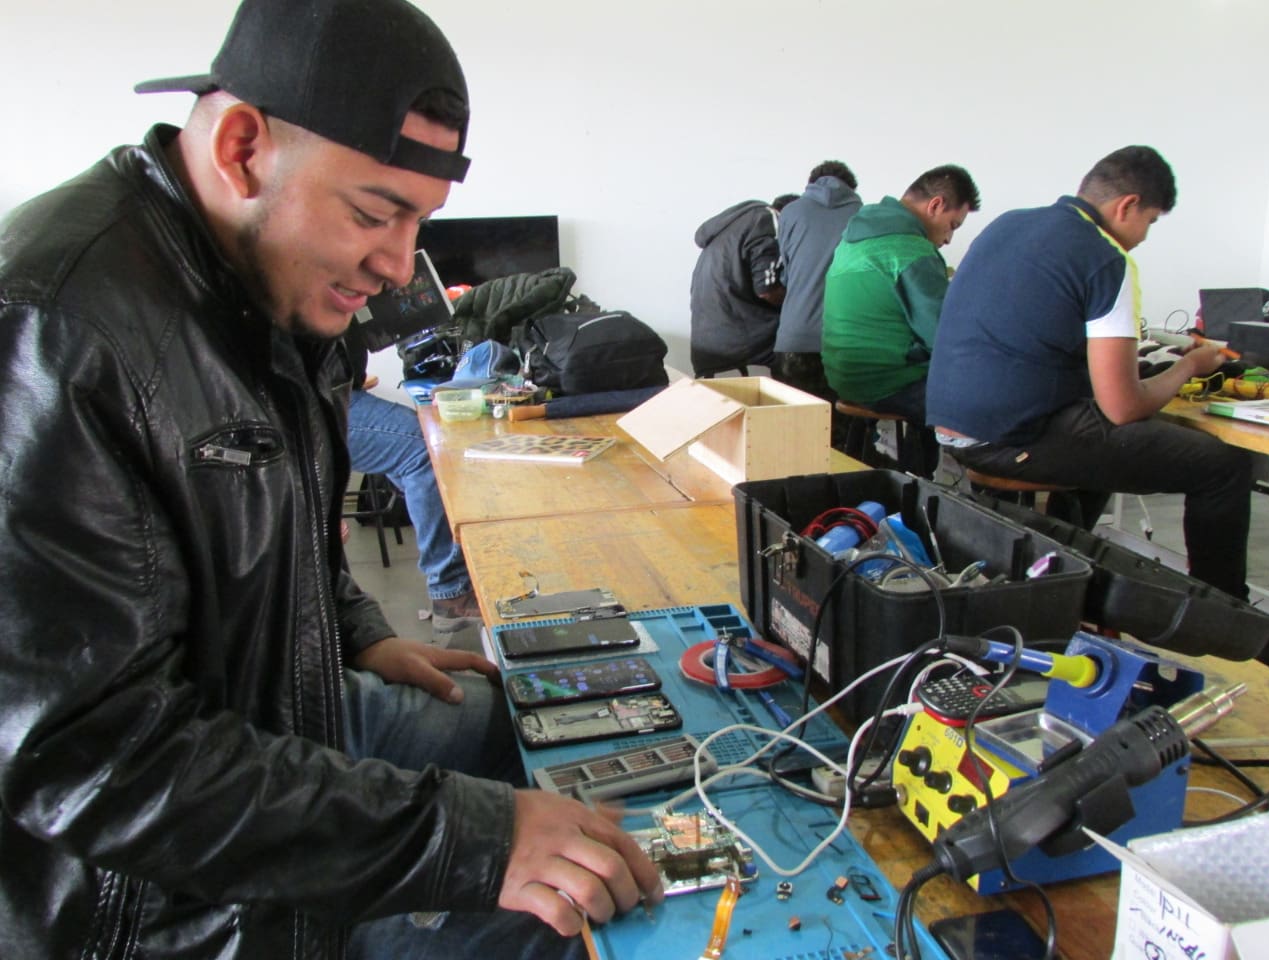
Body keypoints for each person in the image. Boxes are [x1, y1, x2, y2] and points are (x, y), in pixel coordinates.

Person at [0, 3, 661, 960]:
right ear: (241, 147)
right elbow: (90, 761)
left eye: (418, 219)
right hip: (149, 902)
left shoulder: (259, 278)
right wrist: (476, 843)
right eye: (374, 212)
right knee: (575, 927)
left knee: (525, 723)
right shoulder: (55, 331)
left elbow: (275, 530)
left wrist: (355, 631)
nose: (396, 266)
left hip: (283, 714)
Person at [927, 145, 1254, 600]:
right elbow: (1123, 407)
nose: (1144, 236)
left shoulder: (1009, 224)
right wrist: (1188, 366)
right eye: (1150, 221)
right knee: (1225, 467)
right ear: (1127, 205)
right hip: (1006, 438)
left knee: (1101, 436)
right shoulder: (1106, 258)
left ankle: (1067, 571)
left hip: (949, 427)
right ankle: (1226, 613)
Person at [822, 165, 981, 477]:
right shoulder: (911, 250)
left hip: (844, 375)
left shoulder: (856, 235)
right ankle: (929, 489)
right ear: (935, 205)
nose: (949, 239)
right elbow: (944, 339)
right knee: (992, 398)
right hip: (888, 381)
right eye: (952, 225)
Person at [343, 321, 479, 632]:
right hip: (306, 400)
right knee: (425, 449)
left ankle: (460, 562)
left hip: (341, 386)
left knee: (422, 454)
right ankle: (450, 593)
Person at [772, 160, 862, 402]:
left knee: (792, 420)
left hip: (795, 338)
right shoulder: (862, 216)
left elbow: (786, 274)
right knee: (843, 421)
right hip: (846, 342)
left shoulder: (791, 212)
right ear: (851, 188)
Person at [689, 194, 797, 378]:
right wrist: (799, 304)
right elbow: (767, 290)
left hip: (707, 344)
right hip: (740, 341)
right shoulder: (769, 220)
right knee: (805, 345)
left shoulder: (732, 227)